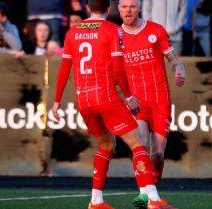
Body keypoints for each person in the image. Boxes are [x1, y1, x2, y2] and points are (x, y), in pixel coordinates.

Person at [51, 1, 176, 209]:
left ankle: (96, 201)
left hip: (84, 99)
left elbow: (65, 67)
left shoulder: (73, 32)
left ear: (89, 8)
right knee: (138, 143)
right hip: (106, 96)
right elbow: (118, 68)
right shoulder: (113, 30)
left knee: (107, 144)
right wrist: (128, 96)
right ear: (110, 9)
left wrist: (56, 101)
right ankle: (153, 200)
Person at [118, 0, 186, 208]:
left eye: (132, 6)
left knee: (157, 155)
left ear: (139, 8)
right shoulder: (116, 36)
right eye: (124, 7)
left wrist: (178, 69)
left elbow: (173, 58)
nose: (128, 10)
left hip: (159, 99)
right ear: (118, 9)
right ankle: (145, 195)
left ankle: (152, 187)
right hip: (136, 102)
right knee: (141, 149)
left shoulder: (156, 30)